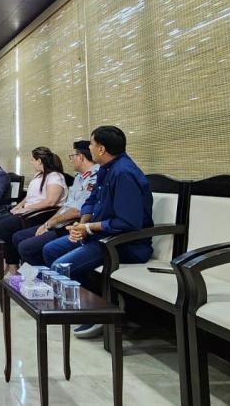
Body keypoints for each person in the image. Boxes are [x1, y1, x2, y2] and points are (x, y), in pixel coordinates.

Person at [42, 125, 154, 339]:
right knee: (50, 250)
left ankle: (97, 314)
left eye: (92, 144)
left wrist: (88, 228)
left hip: (123, 244)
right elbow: (91, 201)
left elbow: (127, 222)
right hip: (100, 236)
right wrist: (81, 226)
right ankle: (84, 303)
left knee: (61, 267)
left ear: (101, 149)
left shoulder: (124, 174)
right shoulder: (105, 168)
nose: (90, 148)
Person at [12, 140, 99, 268]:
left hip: (73, 225)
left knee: (27, 247)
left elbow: (78, 210)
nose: (71, 160)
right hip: (61, 223)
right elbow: (66, 206)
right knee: (18, 237)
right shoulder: (79, 177)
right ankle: (32, 275)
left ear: (80, 157)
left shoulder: (96, 177)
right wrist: (47, 223)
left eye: (72, 156)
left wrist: (51, 223)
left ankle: (45, 277)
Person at [0, 147, 68, 270]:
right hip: (31, 211)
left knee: (6, 225)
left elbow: (51, 201)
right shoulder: (39, 175)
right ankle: (8, 260)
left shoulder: (55, 176)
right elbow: (30, 196)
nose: (31, 162)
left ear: (39, 161)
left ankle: (13, 266)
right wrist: (19, 206)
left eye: (32, 160)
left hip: (44, 214)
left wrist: (27, 209)